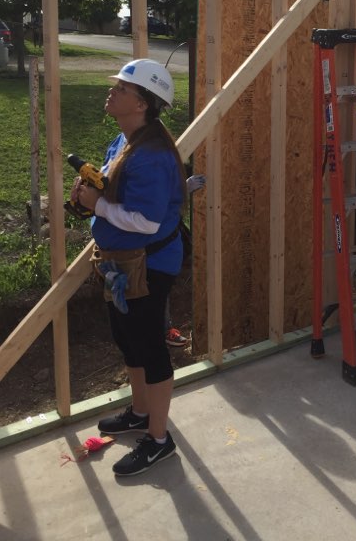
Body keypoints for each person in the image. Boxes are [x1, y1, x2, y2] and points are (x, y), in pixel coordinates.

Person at [73, 58, 187, 476]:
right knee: (128, 339)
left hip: (150, 265)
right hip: (123, 265)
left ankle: (159, 439)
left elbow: (146, 222)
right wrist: (87, 200)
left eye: (121, 88)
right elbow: (112, 194)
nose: (112, 92)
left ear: (141, 104)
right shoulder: (124, 142)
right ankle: (140, 413)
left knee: (150, 346)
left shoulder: (152, 157)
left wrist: (97, 205)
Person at [164, 173, 206, 347]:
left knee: (160, 287)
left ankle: (164, 329)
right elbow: (155, 209)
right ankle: (161, 331)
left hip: (165, 242)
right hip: (148, 243)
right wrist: (182, 191)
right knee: (153, 288)